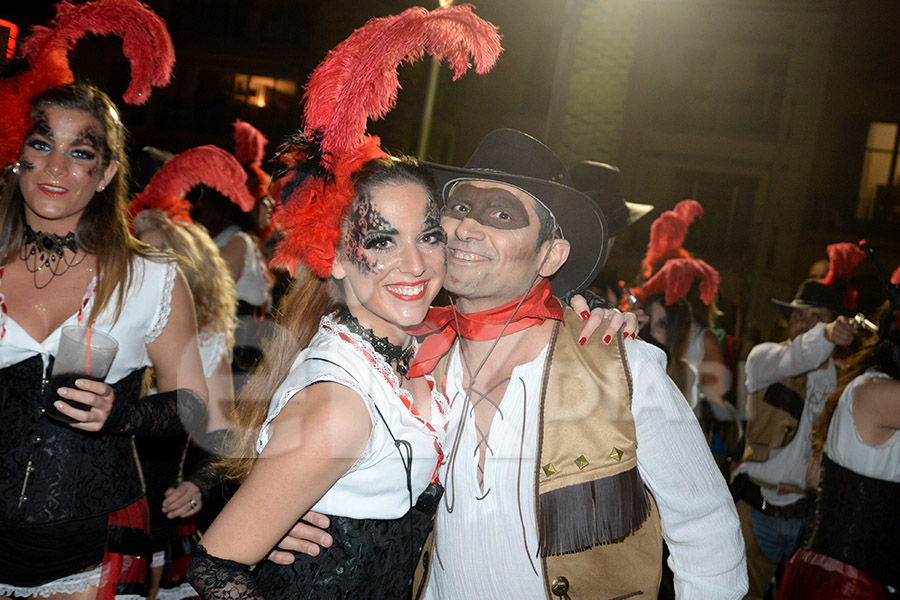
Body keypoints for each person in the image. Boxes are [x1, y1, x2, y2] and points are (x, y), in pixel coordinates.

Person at [0, 84, 208, 599]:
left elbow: (196, 405)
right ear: (18, 155)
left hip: (91, 549)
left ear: (107, 174)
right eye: (43, 145)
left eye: (81, 153)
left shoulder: (151, 278)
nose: (56, 168)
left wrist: (124, 415)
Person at [131, 147, 245, 599]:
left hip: (155, 522)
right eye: (135, 250)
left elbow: (223, 436)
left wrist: (197, 485)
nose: (143, 265)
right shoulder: (98, 317)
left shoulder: (206, 339)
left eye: (156, 256)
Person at [733, 277, 857, 600]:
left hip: (808, 520)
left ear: (835, 322)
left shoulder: (844, 381)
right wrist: (826, 334)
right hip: (755, 509)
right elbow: (799, 357)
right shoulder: (765, 359)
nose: (804, 324)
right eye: (799, 315)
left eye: (817, 316)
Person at [777, 298, 900, 599]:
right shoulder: (876, 391)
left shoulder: (866, 386)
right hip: (845, 582)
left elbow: (814, 476)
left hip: (836, 572)